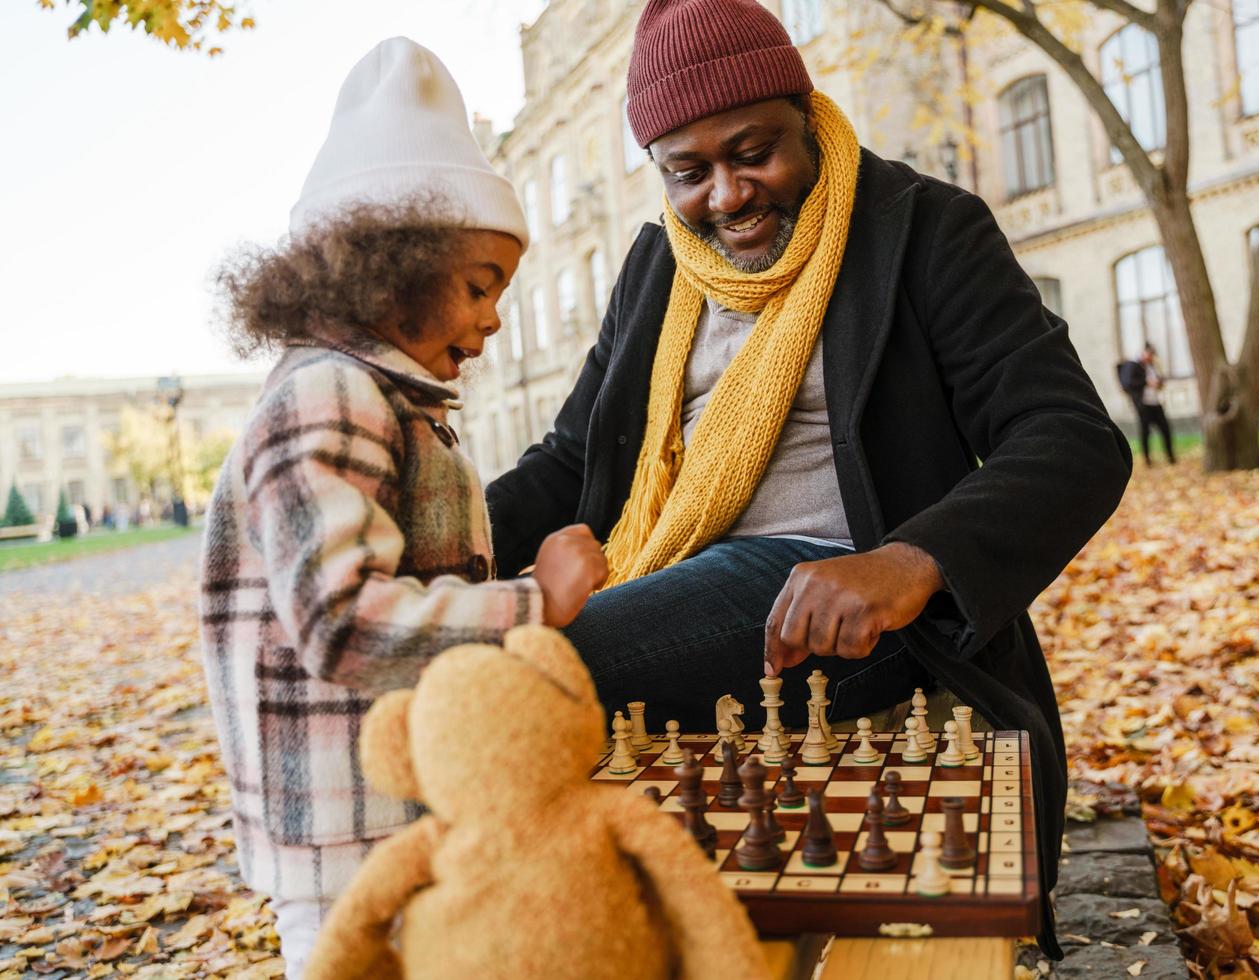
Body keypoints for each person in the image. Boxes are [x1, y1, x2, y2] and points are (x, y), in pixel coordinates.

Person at [484, 0, 1131, 957]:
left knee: (507, 681)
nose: (728, 195)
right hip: (667, 571)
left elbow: (1071, 436)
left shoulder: (922, 230)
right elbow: (573, 458)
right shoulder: (659, 264)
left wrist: (911, 560)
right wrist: (421, 548)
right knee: (451, 656)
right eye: (688, 171)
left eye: (755, 151)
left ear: (805, 111)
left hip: (838, 597)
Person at [200, 39, 606, 978]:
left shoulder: (383, 399)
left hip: (385, 810)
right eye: (478, 285)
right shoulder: (330, 395)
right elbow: (344, 621)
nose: (497, 318)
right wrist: (535, 601)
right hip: (348, 834)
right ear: (390, 269)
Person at [1126, 342, 1176, 465]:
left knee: (1165, 429)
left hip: (1155, 403)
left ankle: (1170, 456)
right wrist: (1147, 382)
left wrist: (1158, 384)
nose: (1150, 358)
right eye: (1149, 354)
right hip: (1143, 404)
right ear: (1144, 353)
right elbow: (1129, 383)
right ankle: (1147, 459)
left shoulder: (1152, 366)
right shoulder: (1133, 366)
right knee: (1145, 431)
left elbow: (1159, 379)